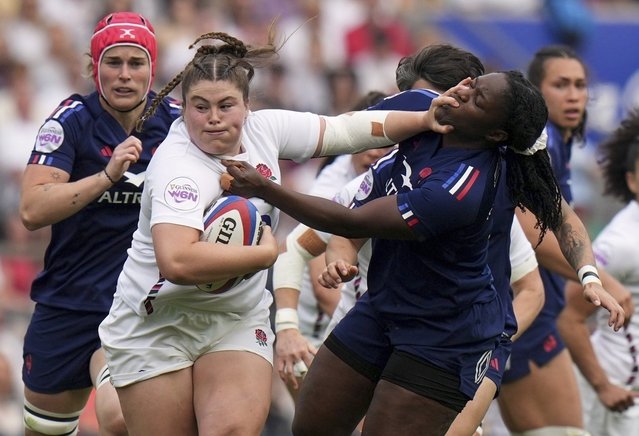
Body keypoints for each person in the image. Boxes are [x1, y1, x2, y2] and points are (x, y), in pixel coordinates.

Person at [97, 29, 460, 436]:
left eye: (226, 105)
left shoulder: (264, 129)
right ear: (183, 110)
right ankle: (109, 376)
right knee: (132, 425)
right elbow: (177, 261)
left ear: (247, 106)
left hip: (234, 315)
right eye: (200, 107)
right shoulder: (177, 167)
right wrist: (264, 255)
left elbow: (345, 130)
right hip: (156, 321)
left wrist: (422, 119)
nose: (213, 118)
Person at [222, 69, 624, 434]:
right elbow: (341, 131)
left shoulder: (462, 188)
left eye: (477, 99)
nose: (462, 92)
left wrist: (264, 188)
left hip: (446, 336)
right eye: (471, 82)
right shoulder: (424, 110)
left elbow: (352, 222)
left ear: (495, 134)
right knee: (310, 427)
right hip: (383, 307)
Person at [19, 12, 180, 436]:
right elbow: (33, 210)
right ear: (93, 68)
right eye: (113, 63)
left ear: (152, 68)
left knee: (121, 417)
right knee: (44, 428)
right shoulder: (69, 122)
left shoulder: (180, 126)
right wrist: (107, 176)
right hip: (67, 302)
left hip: (137, 306)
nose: (125, 75)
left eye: (136, 62)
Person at [497, 44, 632, 435]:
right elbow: (526, 232)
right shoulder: (542, 142)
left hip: (535, 313)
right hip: (526, 318)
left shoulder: (559, 143)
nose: (573, 95)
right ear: (537, 93)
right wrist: (600, 279)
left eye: (580, 85)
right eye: (560, 85)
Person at [272, 90, 390, 394]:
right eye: (369, 141)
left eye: (386, 144)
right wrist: (288, 328)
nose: (376, 152)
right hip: (315, 328)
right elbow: (309, 266)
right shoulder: (334, 190)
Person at [558, 109, 639, 435]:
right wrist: (603, 386)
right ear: (632, 180)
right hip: (626, 400)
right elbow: (570, 316)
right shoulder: (622, 242)